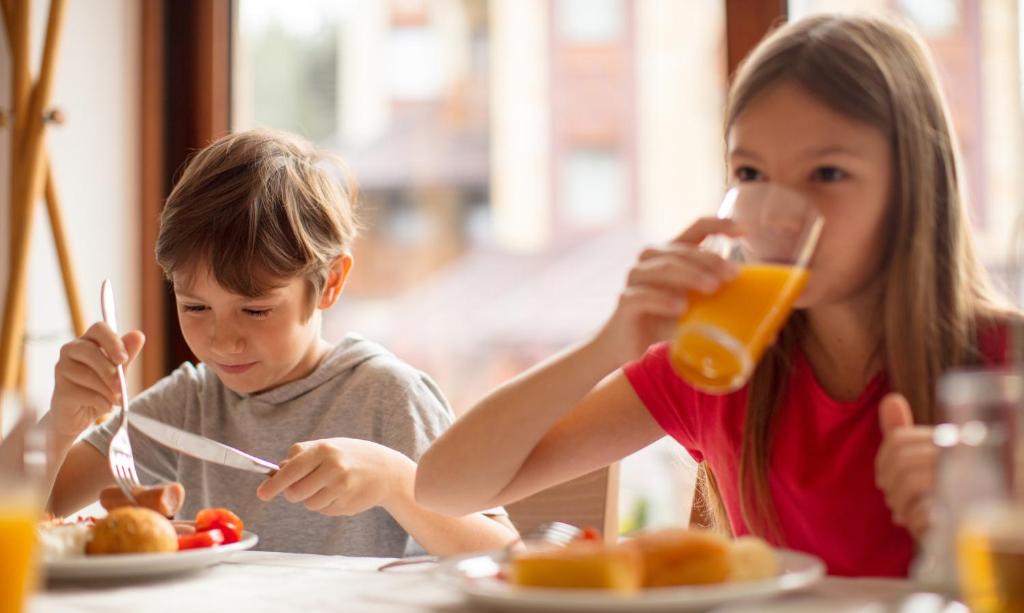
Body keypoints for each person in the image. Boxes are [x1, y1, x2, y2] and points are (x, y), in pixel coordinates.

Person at [414, 14, 1012, 576]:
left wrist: (994, 517)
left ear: (915, 184)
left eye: (827, 174)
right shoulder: (719, 368)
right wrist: (608, 345)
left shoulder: (1004, 367)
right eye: (750, 175)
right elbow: (444, 487)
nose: (777, 215)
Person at [38, 129, 517, 556]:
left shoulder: (387, 398)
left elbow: (504, 556)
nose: (222, 341)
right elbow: (31, 507)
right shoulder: (191, 403)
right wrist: (59, 425)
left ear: (330, 282)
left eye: (255, 310)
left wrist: (395, 482)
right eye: (195, 307)